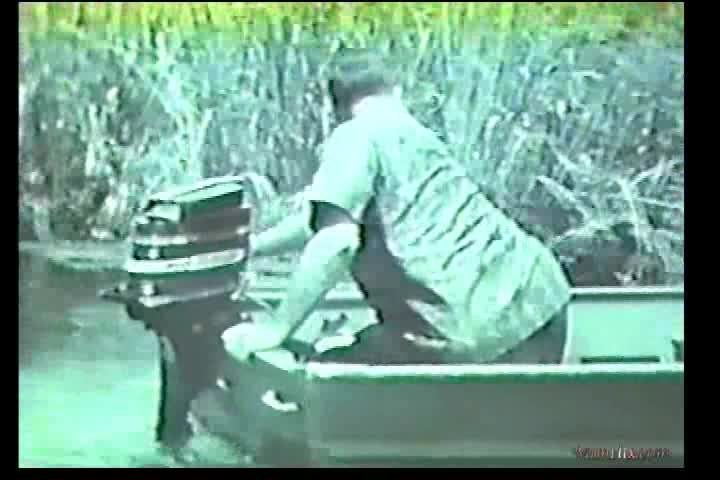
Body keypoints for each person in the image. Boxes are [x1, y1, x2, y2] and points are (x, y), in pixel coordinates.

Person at [226, 49, 572, 364]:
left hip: (470, 327)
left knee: (328, 364)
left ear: (335, 106)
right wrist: (253, 247)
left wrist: (275, 330)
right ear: (396, 90)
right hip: (541, 295)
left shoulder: (354, 135)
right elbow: (321, 218)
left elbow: (336, 241)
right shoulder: (417, 134)